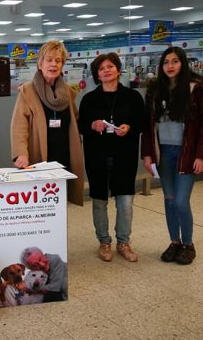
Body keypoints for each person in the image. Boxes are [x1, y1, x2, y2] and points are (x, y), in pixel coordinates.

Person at [141, 46, 203, 265]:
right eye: (166, 62)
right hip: (164, 153)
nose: (170, 66)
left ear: (183, 63)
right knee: (170, 200)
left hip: (187, 153)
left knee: (182, 201)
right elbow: (148, 126)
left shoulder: (198, 88)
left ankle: (188, 244)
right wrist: (147, 154)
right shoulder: (155, 90)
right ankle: (174, 242)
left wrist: (202, 155)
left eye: (175, 61)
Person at [78, 53, 146, 262]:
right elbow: (80, 126)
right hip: (97, 156)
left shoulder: (132, 97)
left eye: (110, 66)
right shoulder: (89, 99)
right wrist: (92, 125)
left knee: (125, 201)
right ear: (96, 74)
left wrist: (129, 128)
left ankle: (123, 242)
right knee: (99, 201)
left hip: (124, 156)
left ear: (118, 69)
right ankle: (104, 242)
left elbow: (142, 123)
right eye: (101, 68)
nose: (106, 71)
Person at [10, 40, 84, 205]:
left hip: (64, 157)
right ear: (40, 63)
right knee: (40, 206)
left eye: (58, 61)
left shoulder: (68, 92)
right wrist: (20, 153)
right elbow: (19, 127)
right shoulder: (28, 91)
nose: (53, 64)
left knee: (60, 205)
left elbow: (75, 120)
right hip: (39, 157)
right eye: (49, 60)